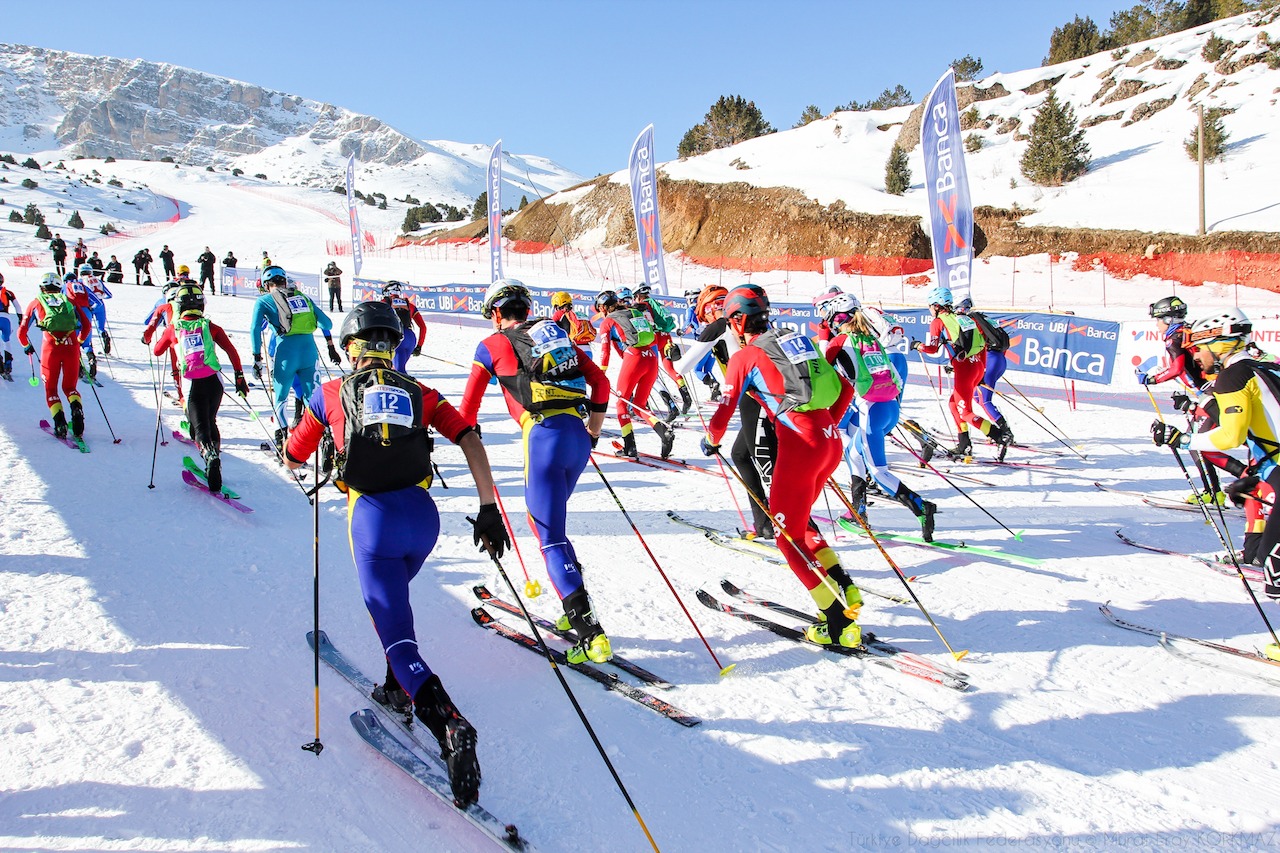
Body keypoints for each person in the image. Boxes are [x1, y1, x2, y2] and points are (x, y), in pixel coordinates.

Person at [284, 300, 508, 805]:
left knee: (398, 638)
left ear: (351, 348)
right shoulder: (420, 392)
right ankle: (394, 689)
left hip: (373, 521)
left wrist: (292, 448)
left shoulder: (330, 393)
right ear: (393, 345)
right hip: (422, 519)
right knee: (398, 604)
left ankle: (450, 725)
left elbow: (295, 455)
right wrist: (488, 507)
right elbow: (469, 438)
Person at [459, 279, 615, 664]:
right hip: (576, 436)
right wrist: (594, 432)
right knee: (550, 526)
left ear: (497, 312)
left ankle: (590, 633)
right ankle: (572, 604)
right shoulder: (554, 334)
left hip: (543, 436)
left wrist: (468, 436)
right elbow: (600, 381)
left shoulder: (491, 344)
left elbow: (467, 408)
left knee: (549, 537)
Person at [701, 285, 863, 648]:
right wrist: (826, 429)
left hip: (802, 447)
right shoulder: (796, 339)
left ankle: (838, 623)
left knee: (786, 537)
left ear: (738, 321)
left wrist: (711, 440)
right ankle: (845, 587)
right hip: (828, 440)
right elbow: (842, 388)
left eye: (730, 322)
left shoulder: (745, 355)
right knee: (800, 525)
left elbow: (724, 411)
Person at [1151, 309, 1280, 639]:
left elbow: (1230, 436)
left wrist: (1183, 440)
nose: (1195, 355)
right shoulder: (1264, 366)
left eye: (1199, 347)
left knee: (1274, 567)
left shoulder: (1233, 376)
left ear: (1220, 344)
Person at [822, 294, 937, 540]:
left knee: (878, 472)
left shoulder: (841, 341)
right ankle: (858, 511)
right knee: (853, 453)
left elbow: (821, 370)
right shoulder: (870, 338)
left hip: (871, 410)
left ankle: (921, 507)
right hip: (890, 408)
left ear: (836, 319)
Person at [151, 284, 248, 493]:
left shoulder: (174, 329)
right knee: (211, 420)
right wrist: (239, 376)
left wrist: (167, 339)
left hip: (191, 384)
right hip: (215, 382)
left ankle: (209, 457)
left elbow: (157, 351)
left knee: (199, 427)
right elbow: (231, 351)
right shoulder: (211, 326)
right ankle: (215, 460)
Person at [912, 286, 1012, 460]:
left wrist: (918, 346)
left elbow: (932, 349)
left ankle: (999, 436)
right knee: (953, 404)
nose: (929, 309)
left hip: (965, 369)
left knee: (965, 412)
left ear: (937, 305)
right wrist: (980, 370)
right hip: (977, 365)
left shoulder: (938, 322)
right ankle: (964, 444)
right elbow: (982, 345)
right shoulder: (963, 318)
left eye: (930, 306)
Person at [1140, 295, 1223, 504]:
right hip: (1210, 392)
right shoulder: (1186, 332)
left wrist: (1152, 379)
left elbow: (1176, 368)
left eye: (1158, 320)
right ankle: (1215, 492)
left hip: (1211, 393)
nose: (1156, 325)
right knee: (1196, 442)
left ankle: (1217, 493)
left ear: (1168, 319)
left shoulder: (1174, 338)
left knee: (1197, 443)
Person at [250, 265, 340, 449]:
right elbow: (327, 323)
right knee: (312, 398)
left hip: (285, 353)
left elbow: (254, 329)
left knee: (281, 398)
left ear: (266, 285)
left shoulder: (264, 301)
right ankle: (325, 440)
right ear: (284, 281)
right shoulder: (302, 297)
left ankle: (281, 441)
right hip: (309, 352)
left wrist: (257, 358)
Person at [596, 289, 676, 460]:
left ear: (603, 308)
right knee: (640, 405)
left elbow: (605, 350)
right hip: (651, 356)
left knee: (621, 403)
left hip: (634, 357)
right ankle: (663, 431)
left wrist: (601, 372)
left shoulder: (608, 321)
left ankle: (630, 447)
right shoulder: (633, 311)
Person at [19, 273, 92, 438]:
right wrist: (79, 341)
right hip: (71, 346)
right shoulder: (69, 301)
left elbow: (21, 332)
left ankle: (60, 423)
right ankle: (76, 409)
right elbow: (86, 325)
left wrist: (26, 346)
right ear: (60, 287)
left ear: (41, 287)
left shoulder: (36, 302)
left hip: (50, 348)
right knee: (70, 387)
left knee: (51, 388)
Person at [955, 296, 1013, 443]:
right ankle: (1002, 430)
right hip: (998, 359)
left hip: (990, 359)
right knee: (977, 397)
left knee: (985, 400)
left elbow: (976, 347)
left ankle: (1005, 433)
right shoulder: (981, 317)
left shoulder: (970, 321)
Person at [633, 284, 693, 413]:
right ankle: (685, 394)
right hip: (666, 336)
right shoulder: (656, 303)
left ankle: (667, 404)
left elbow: (647, 323)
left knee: (650, 373)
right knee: (670, 369)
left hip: (654, 338)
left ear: (637, 295)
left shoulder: (643, 305)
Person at [381, 281, 426, 371]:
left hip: (396, 338)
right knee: (394, 369)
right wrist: (419, 346)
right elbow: (423, 327)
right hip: (410, 338)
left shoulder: (383, 303)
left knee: (399, 371)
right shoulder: (409, 305)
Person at [77, 262, 113, 357]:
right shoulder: (97, 280)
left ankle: (90, 350)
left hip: (88, 306)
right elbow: (109, 295)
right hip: (100, 304)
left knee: (87, 327)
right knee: (101, 327)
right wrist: (101, 297)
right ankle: (105, 338)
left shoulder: (80, 281)